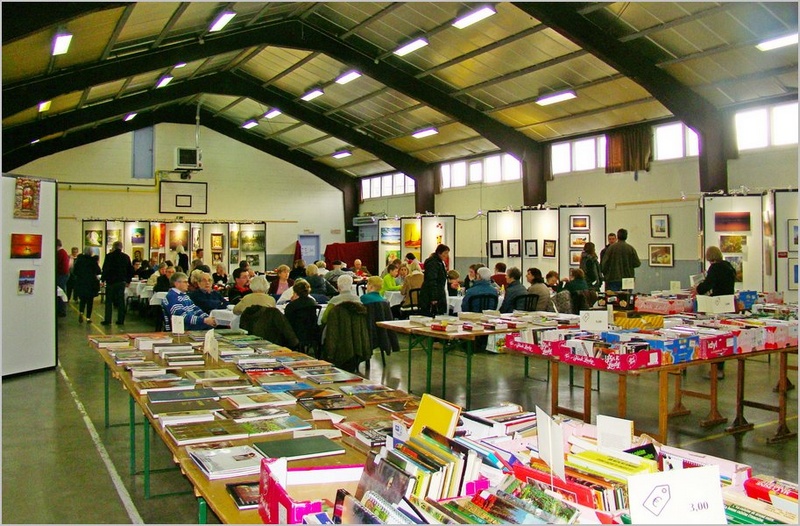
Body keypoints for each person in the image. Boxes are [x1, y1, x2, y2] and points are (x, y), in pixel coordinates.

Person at [694, 245, 737, 380]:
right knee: (724, 333)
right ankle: (720, 367)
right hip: (728, 302)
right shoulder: (728, 266)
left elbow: (708, 284)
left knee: (716, 335)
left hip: (717, 303)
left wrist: (698, 289)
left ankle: (717, 368)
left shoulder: (715, 268)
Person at [100, 240, 133, 325]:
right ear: (121, 248)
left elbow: (105, 269)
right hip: (121, 282)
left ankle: (108, 320)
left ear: (114, 247)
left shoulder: (109, 256)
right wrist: (128, 280)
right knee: (121, 301)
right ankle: (120, 320)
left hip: (111, 281)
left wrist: (103, 280)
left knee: (109, 301)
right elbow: (130, 270)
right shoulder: (126, 257)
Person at [419, 244, 449, 316]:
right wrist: (434, 297)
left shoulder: (439, 262)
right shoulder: (433, 263)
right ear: (439, 253)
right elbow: (432, 280)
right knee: (432, 316)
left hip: (437, 292)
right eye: (445, 253)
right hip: (431, 294)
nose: (447, 256)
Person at [73, 247, 101, 323]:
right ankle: (88, 317)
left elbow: (75, 271)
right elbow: (98, 271)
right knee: (90, 301)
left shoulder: (79, 260)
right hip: (91, 283)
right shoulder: (93, 261)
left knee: (82, 299)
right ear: (91, 252)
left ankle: (81, 312)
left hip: (81, 282)